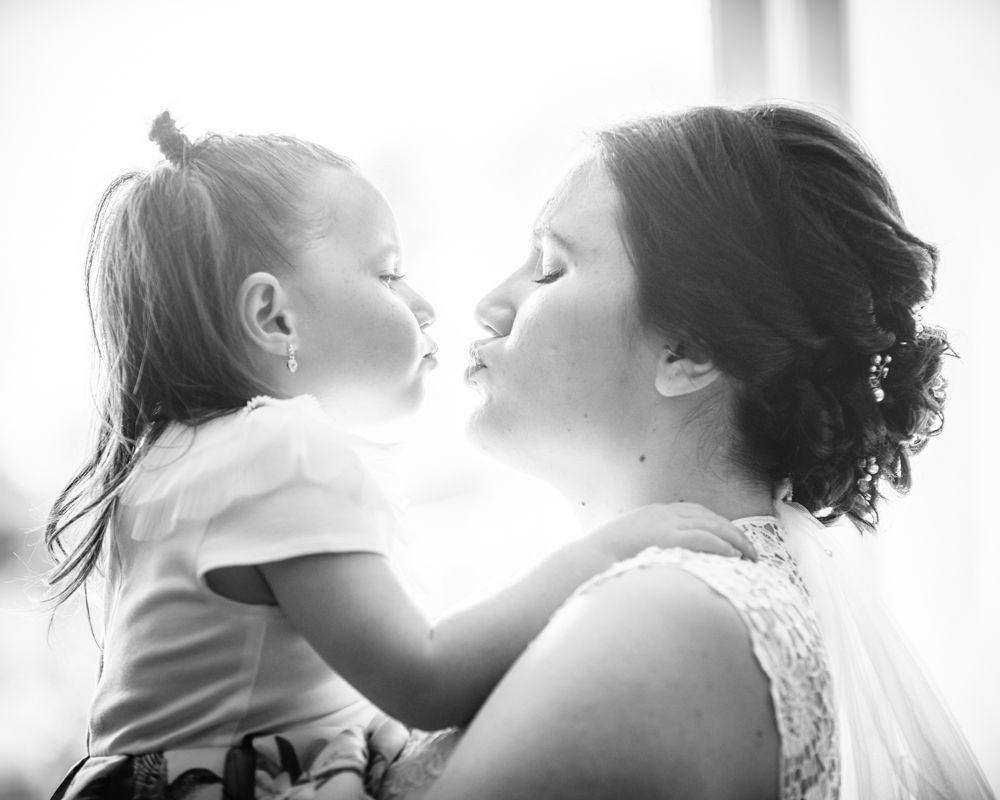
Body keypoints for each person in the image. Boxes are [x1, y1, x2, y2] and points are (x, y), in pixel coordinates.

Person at [45, 112, 757, 800]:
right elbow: (424, 678)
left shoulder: (172, 463)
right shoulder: (283, 449)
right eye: (388, 276)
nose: (423, 305)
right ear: (274, 318)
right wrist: (608, 555)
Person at [408, 105, 995, 799]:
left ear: (688, 349)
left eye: (549, 267)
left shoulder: (661, 619)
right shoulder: (733, 593)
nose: (489, 304)